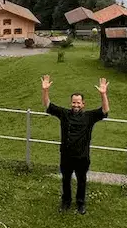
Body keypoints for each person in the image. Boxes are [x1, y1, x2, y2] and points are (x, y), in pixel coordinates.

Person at [41, 75, 109, 214]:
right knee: (65, 180)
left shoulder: (89, 117)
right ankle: (65, 202)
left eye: (78, 103)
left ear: (83, 104)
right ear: (71, 103)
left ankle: (81, 203)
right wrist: (45, 91)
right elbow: (48, 105)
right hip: (66, 155)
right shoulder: (64, 114)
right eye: (74, 102)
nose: (76, 105)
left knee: (81, 181)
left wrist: (103, 94)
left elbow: (105, 111)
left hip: (82, 156)